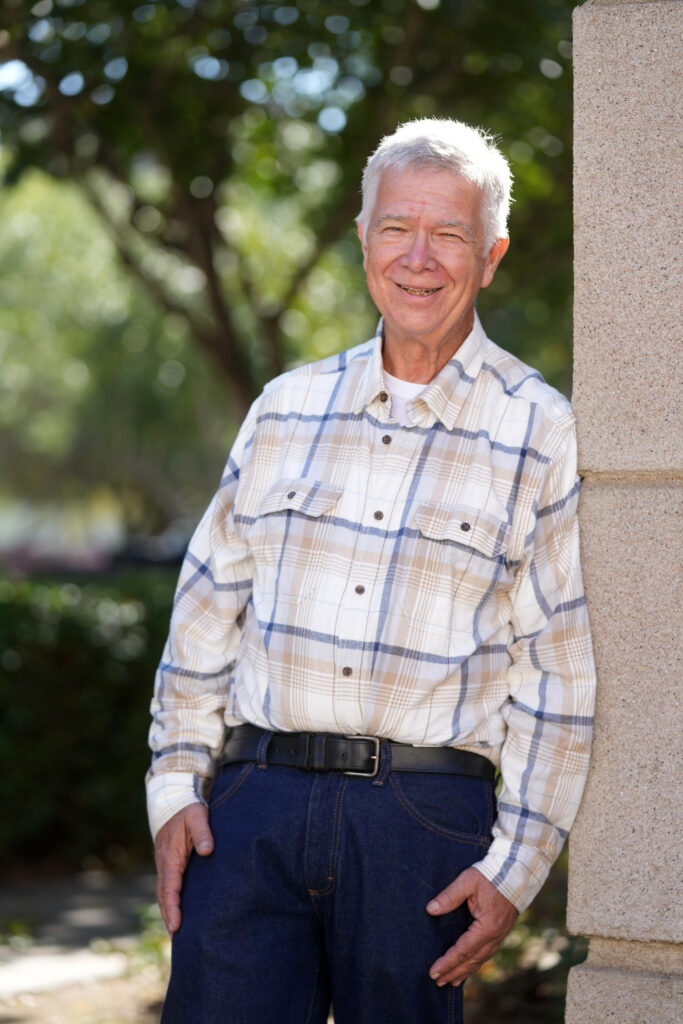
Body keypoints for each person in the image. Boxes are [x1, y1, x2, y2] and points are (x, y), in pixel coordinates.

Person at [147, 118, 596, 1024]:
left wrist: (516, 865)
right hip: (251, 808)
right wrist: (170, 788)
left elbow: (556, 674)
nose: (417, 257)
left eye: (449, 234)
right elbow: (204, 615)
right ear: (363, 240)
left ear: (492, 255)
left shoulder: (540, 430)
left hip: (421, 830)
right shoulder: (285, 407)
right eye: (395, 228)